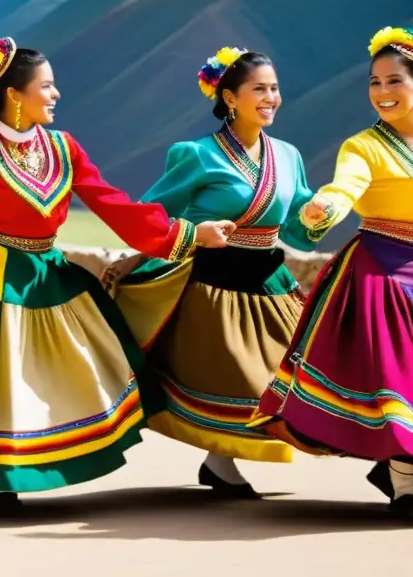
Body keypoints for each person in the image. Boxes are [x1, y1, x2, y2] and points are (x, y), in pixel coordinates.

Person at [0, 37, 237, 508]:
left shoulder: (64, 148)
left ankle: (26, 465)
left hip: (47, 272)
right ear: (14, 94)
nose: (55, 94)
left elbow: (115, 205)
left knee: (48, 378)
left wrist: (187, 234)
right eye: (46, 86)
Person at [248, 26, 413, 523]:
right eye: (375, 82)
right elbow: (346, 188)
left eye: (394, 82)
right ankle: (405, 485)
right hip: (379, 279)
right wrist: (325, 207)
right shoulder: (363, 146)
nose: (382, 92)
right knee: (401, 387)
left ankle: (398, 472)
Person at [101, 47, 320, 498]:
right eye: (259, 89)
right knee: (238, 376)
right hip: (210, 284)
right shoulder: (197, 155)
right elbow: (150, 215)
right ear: (230, 97)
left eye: (274, 88)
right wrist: (193, 232)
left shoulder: (288, 156)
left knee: (289, 374)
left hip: (267, 280)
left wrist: (317, 215)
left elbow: (297, 229)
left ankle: (220, 463)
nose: (271, 97)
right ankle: (222, 463)